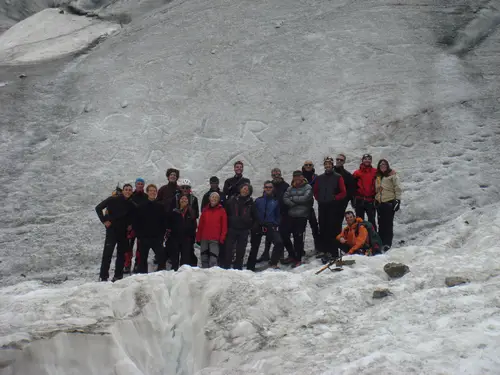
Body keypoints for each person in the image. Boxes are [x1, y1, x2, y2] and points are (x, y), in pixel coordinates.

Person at [95, 183, 136, 282]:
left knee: (121, 254)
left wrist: (131, 224)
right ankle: (103, 276)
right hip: (112, 230)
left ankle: (118, 275)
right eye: (126, 189)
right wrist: (104, 220)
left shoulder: (131, 204)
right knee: (107, 253)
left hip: (123, 232)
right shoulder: (113, 199)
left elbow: (135, 215)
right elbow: (98, 208)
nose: (128, 191)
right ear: (123, 191)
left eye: (130, 190)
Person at [313, 156, 347, 262]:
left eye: (329, 164)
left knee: (332, 228)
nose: (327, 166)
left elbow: (343, 192)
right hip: (322, 205)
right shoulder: (320, 178)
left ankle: (334, 251)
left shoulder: (338, 177)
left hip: (333, 206)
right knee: (323, 227)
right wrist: (319, 198)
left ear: (332, 165)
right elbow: (315, 190)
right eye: (325, 164)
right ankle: (325, 250)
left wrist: (335, 198)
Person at [257, 168, 293, 263]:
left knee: (282, 235)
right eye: (274, 174)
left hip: (284, 214)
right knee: (270, 235)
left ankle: (281, 255)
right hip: (272, 214)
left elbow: (289, 198)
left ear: (280, 174)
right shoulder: (270, 185)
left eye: (277, 174)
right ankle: (266, 253)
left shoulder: (286, 186)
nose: (276, 176)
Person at [247, 181, 284, 270]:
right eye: (266, 187)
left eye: (270, 187)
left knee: (279, 242)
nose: (268, 189)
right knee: (254, 246)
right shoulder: (258, 200)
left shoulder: (275, 201)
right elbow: (253, 213)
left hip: (270, 225)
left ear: (273, 189)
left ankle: (273, 262)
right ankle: (250, 267)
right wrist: (254, 224)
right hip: (258, 225)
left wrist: (276, 223)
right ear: (264, 188)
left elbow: (278, 215)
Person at [133, 184, 168, 273]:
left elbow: (163, 222)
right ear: (147, 192)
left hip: (157, 238)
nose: (153, 192)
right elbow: (136, 222)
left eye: (154, 191)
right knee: (142, 259)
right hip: (144, 238)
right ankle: (143, 276)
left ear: (156, 193)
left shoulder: (160, 206)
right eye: (151, 190)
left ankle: (160, 275)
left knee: (161, 257)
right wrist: (139, 235)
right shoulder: (141, 206)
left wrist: (161, 235)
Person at [282, 170, 314, 267]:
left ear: (302, 177)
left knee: (298, 237)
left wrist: (293, 199)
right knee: (284, 234)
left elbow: (306, 198)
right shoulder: (290, 188)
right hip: (291, 214)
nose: (297, 178)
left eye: (298, 176)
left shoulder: (308, 187)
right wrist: (293, 202)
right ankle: (292, 254)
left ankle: (298, 258)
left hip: (302, 215)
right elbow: (285, 198)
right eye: (295, 176)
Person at [223, 183, 256, 270]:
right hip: (232, 228)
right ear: (240, 189)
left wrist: (250, 224)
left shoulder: (251, 202)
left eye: (247, 189)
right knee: (229, 250)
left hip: (244, 230)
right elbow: (226, 212)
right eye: (244, 188)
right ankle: (226, 268)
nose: (245, 190)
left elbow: (254, 215)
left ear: (249, 192)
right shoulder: (232, 200)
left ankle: (238, 269)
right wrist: (230, 220)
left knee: (240, 251)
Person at [375, 159, 402, 251]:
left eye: (384, 164)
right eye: (381, 164)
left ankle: (387, 243)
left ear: (387, 165)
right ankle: (381, 242)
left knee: (388, 224)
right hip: (380, 203)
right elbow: (377, 190)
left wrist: (398, 200)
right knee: (381, 224)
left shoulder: (392, 175)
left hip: (389, 202)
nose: (383, 166)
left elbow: (397, 187)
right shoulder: (378, 177)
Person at [171, 178, 199, 266]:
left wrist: (188, 210)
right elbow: (171, 213)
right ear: (180, 188)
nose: (185, 190)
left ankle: (188, 269)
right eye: (183, 188)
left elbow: (196, 215)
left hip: (189, 232)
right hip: (176, 231)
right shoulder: (175, 198)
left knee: (188, 252)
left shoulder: (194, 199)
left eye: (187, 188)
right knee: (175, 253)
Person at [124, 177, 149, 274]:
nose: (140, 185)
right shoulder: (131, 196)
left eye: (141, 184)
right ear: (135, 185)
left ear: (143, 185)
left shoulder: (146, 197)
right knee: (128, 246)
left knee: (140, 246)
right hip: (131, 226)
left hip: (141, 226)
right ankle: (127, 264)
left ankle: (137, 264)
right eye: (138, 183)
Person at [196, 192, 228, 268]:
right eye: (212, 197)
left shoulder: (222, 211)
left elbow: (224, 226)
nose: (214, 199)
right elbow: (201, 225)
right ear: (209, 199)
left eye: (216, 197)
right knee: (204, 258)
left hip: (215, 239)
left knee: (213, 259)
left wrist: (222, 238)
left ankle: (212, 275)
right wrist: (198, 237)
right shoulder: (205, 210)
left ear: (218, 200)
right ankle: (204, 273)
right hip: (204, 238)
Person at [167, 194, 198, 271]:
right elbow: (169, 223)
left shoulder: (191, 212)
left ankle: (183, 274)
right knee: (175, 257)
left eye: (185, 199)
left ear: (188, 201)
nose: (184, 200)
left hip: (186, 238)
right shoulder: (174, 211)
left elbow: (194, 225)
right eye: (182, 199)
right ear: (179, 201)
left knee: (185, 258)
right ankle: (174, 271)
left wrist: (191, 236)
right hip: (175, 238)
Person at [333, 154, 356, 239]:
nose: (339, 161)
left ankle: (337, 245)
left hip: (340, 204)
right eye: (338, 159)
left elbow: (351, 189)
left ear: (344, 162)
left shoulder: (347, 175)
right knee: (328, 224)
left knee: (337, 224)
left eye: (341, 160)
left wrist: (344, 199)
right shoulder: (329, 172)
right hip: (329, 203)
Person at [352, 154, 377, 231]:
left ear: (371, 161)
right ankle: (361, 240)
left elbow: (384, 174)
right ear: (362, 160)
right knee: (359, 221)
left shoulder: (375, 172)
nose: (367, 160)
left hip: (371, 200)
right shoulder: (357, 173)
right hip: (360, 200)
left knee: (372, 221)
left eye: (369, 159)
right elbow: (352, 186)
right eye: (365, 159)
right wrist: (353, 199)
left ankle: (374, 240)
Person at [301, 160, 320, 251]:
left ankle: (318, 246)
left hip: (309, 205)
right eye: (306, 165)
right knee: (301, 229)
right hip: (300, 206)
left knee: (315, 227)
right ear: (304, 166)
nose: (308, 166)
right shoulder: (299, 177)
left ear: (312, 166)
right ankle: (300, 249)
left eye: (310, 165)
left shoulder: (315, 177)